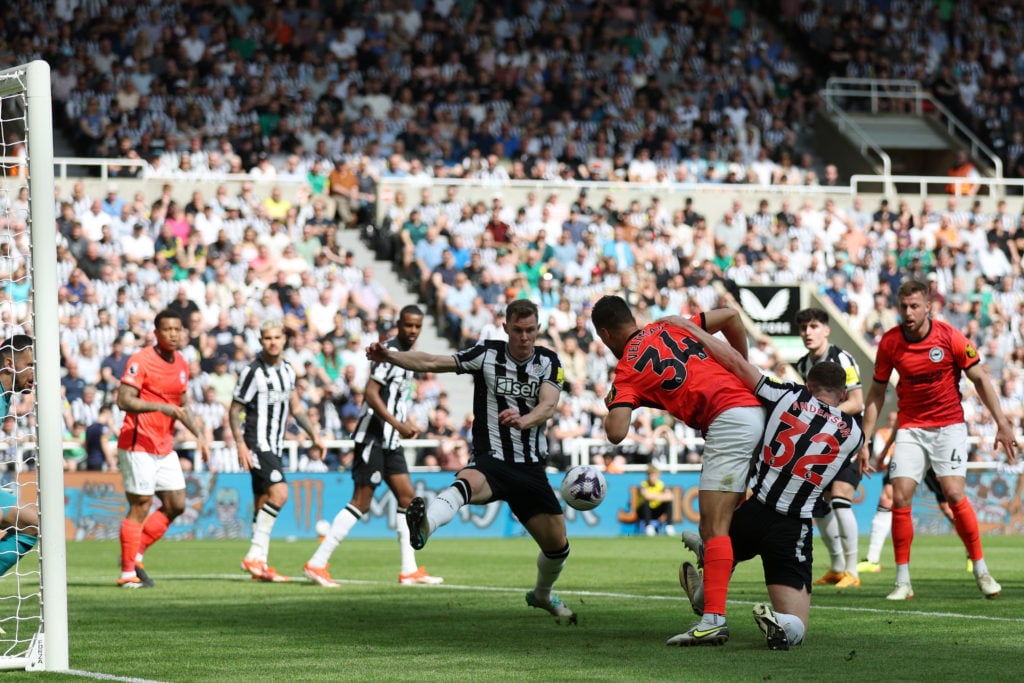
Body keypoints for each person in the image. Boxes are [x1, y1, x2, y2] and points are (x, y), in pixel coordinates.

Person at [368, 299, 575, 622]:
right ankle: (424, 526)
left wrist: (524, 419)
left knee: (558, 547)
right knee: (465, 483)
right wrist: (391, 356)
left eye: (530, 331)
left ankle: (541, 595)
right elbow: (433, 361)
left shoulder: (549, 361)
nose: (524, 338)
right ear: (506, 328)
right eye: (518, 330)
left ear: (538, 330)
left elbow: (548, 404)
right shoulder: (487, 354)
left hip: (531, 468)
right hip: (492, 460)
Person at [672, 316, 863, 650]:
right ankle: (777, 621)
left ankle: (708, 570)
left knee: (719, 554)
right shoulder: (854, 435)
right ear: (843, 392)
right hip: (792, 527)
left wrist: (691, 329)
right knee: (797, 629)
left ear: (807, 384)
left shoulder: (785, 396)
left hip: (752, 512)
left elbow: (734, 361)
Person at [589, 295, 765, 646]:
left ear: (605, 334)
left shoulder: (626, 369)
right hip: (755, 408)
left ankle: (714, 620)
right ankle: (706, 591)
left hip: (728, 419)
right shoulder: (666, 325)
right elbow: (731, 315)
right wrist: (740, 365)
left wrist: (614, 400)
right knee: (716, 522)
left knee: (716, 527)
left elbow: (616, 432)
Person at [859, 279, 1018, 600]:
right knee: (900, 497)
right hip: (912, 428)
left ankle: (982, 570)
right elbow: (876, 391)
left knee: (954, 493)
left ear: (928, 306)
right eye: (903, 307)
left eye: (914, 306)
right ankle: (902, 581)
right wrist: (864, 439)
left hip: (949, 427)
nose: (908, 312)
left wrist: (1002, 423)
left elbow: (980, 378)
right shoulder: (890, 343)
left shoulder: (949, 337)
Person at [303, 306, 443, 587]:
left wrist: (405, 421)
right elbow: (370, 393)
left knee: (408, 499)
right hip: (373, 437)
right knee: (361, 503)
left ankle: (408, 570)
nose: (413, 331)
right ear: (399, 324)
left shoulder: (407, 356)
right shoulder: (387, 352)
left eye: (417, 326)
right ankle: (317, 563)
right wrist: (399, 424)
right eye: (408, 325)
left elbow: (394, 397)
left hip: (390, 440)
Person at [117, 310, 209, 588]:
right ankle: (126, 574)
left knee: (176, 504)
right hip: (138, 443)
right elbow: (123, 400)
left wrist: (200, 436)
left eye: (177, 329)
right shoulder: (140, 360)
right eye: (167, 329)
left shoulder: (181, 363)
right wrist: (160, 407)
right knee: (141, 505)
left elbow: (182, 408)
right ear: (156, 333)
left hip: (163, 445)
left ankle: (138, 554)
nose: (173, 334)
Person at [231, 320, 326, 582]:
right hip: (257, 443)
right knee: (280, 493)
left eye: (277, 337)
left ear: (284, 340)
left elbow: (295, 407)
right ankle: (253, 556)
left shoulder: (287, 370)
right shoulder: (252, 372)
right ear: (261, 341)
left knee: (263, 501)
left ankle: (258, 562)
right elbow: (234, 410)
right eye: (267, 338)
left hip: (275, 444)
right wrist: (240, 444)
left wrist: (313, 433)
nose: (273, 342)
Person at [793, 308, 864, 589]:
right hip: (822, 445)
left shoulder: (842, 359)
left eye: (813, 326)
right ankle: (836, 567)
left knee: (840, 498)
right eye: (803, 328)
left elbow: (857, 401)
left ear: (826, 329)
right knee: (817, 503)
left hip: (847, 440)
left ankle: (852, 569)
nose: (807, 332)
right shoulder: (802, 364)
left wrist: (823, 417)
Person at [0, 336, 38, 577]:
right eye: (31, 365)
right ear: (10, 364)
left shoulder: (5, 397)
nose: (35, 372)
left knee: (30, 523)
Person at [636, 464, 676, 537]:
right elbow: (646, 496)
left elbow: (670, 496)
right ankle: (648, 527)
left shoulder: (661, 484)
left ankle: (669, 526)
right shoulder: (643, 484)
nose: (652, 478)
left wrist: (654, 496)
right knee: (645, 503)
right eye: (651, 475)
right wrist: (661, 496)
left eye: (654, 475)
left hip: (657, 510)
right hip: (644, 512)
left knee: (668, 503)